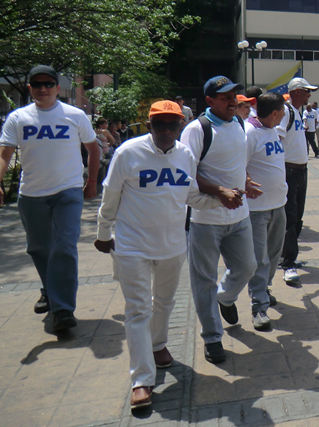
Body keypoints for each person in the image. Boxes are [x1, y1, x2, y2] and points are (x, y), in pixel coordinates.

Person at [94, 100, 221, 410]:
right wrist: (102, 233)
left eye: (172, 125)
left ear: (180, 126)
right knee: (137, 310)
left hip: (172, 244)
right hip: (132, 245)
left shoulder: (185, 155)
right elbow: (110, 195)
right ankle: (141, 380)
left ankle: (158, 345)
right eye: (159, 124)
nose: (166, 131)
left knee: (164, 302)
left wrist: (221, 199)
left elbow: (189, 195)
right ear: (148, 125)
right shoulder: (128, 152)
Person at [0, 65, 101, 330]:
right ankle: (49, 288)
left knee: (65, 247)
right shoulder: (17, 118)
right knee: (39, 248)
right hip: (32, 194)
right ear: (30, 88)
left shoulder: (75, 115)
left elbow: (93, 149)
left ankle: (63, 310)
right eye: (37, 85)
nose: (42, 89)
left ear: (58, 87)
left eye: (48, 84)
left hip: (67, 192)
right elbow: (4, 155)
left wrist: (91, 182)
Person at [180, 76, 261, 365]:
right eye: (225, 96)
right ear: (210, 100)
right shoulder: (197, 129)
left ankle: (225, 298)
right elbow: (186, 174)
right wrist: (218, 191)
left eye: (234, 95)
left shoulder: (239, 124)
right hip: (206, 220)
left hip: (239, 215)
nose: (232, 100)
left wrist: (246, 181)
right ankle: (212, 337)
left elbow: (238, 163)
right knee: (204, 281)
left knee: (247, 266)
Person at [245, 93, 288, 330]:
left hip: (278, 205)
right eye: (282, 110)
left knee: (273, 254)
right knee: (260, 259)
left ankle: (264, 288)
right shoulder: (249, 134)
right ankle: (258, 307)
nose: (284, 114)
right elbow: (237, 165)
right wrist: (246, 181)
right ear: (274, 113)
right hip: (257, 210)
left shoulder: (272, 130)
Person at [276, 77, 318, 285]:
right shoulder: (286, 111)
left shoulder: (297, 112)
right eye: (307, 91)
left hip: (301, 171)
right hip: (289, 171)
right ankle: (288, 265)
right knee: (290, 217)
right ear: (296, 92)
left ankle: (287, 256)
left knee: (297, 215)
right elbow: (277, 139)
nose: (310, 95)